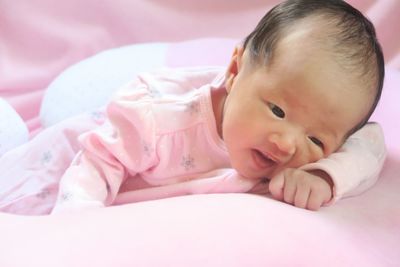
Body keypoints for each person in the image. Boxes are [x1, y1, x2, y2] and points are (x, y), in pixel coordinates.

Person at [0, 0, 386, 215]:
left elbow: (370, 143)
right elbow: (96, 163)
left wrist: (323, 176)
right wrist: (77, 227)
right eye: (278, 112)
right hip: (54, 174)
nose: (286, 145)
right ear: (235, 70)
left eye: (315, 139)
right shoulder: (160, 118)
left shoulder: (314, 144)